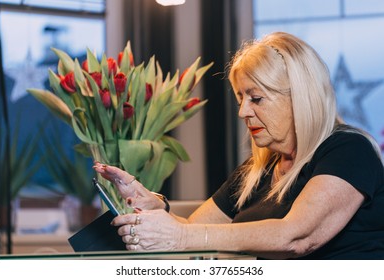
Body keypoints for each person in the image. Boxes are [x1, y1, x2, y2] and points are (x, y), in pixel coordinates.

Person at [93, 32, 384, 259]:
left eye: (256, 98)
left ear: (300, 97)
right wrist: (156, 207)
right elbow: (194, 230)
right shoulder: (258, 170)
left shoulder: (348, 149)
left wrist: (181, 236)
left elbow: (296, 237)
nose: (243, 112)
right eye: (240, 99)